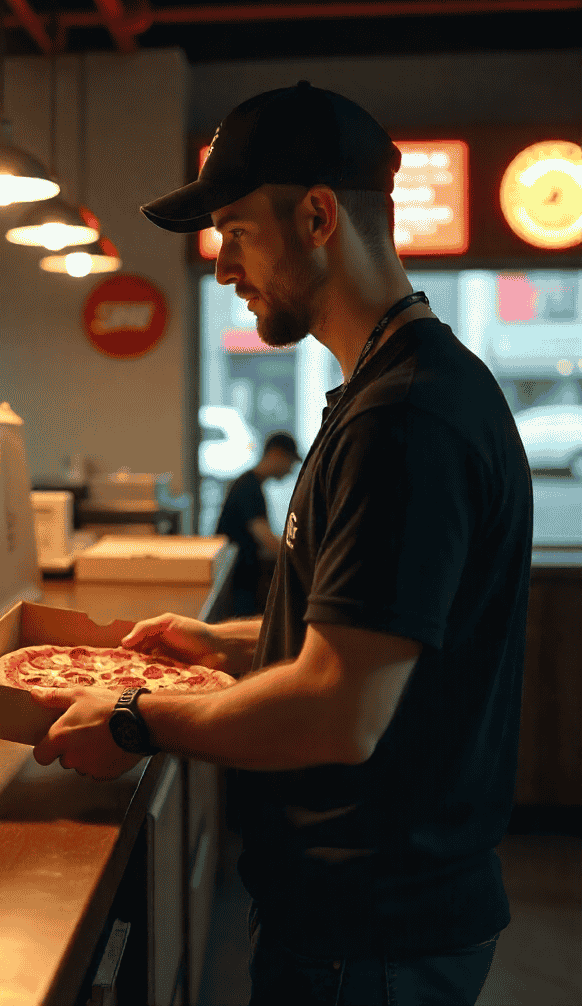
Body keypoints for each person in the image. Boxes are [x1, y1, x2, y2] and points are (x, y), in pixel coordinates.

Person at [28, 82, 533, 1005]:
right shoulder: (386, 391)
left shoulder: (406, 418)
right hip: (362, 920)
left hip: (372, 935)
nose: (223, 268)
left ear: (316, 217)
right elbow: (376, 643)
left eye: (235, 232)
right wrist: (225, 645)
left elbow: (340, 711)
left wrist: (137, 717)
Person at [216, 430, 301, 617]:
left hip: (242, 577)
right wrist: (299, 558)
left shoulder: (251, 484)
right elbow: (264, 537)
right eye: (290, 462)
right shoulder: (248, 487)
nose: (290, 470)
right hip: (239, 581)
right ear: (276, 454)